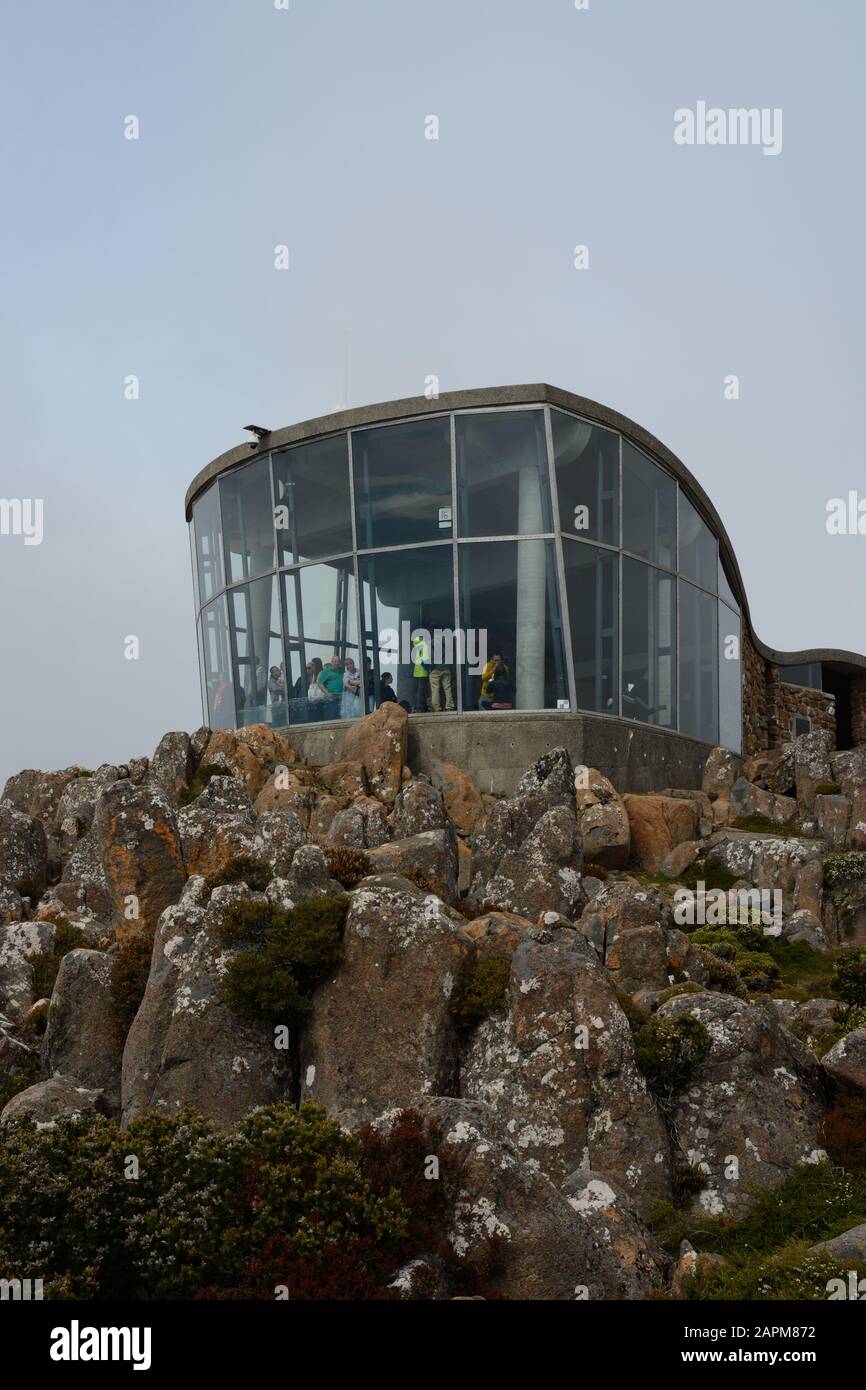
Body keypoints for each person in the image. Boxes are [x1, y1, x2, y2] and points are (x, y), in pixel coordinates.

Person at [411, 633, 430, 712]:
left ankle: (418, 706)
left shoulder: (417, 645)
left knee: (418, 690)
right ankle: (421, 707)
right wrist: (429, 669)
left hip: (417, 671)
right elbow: (424, 659)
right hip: (423, 671)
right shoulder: (424, 646)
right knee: (422, 690)